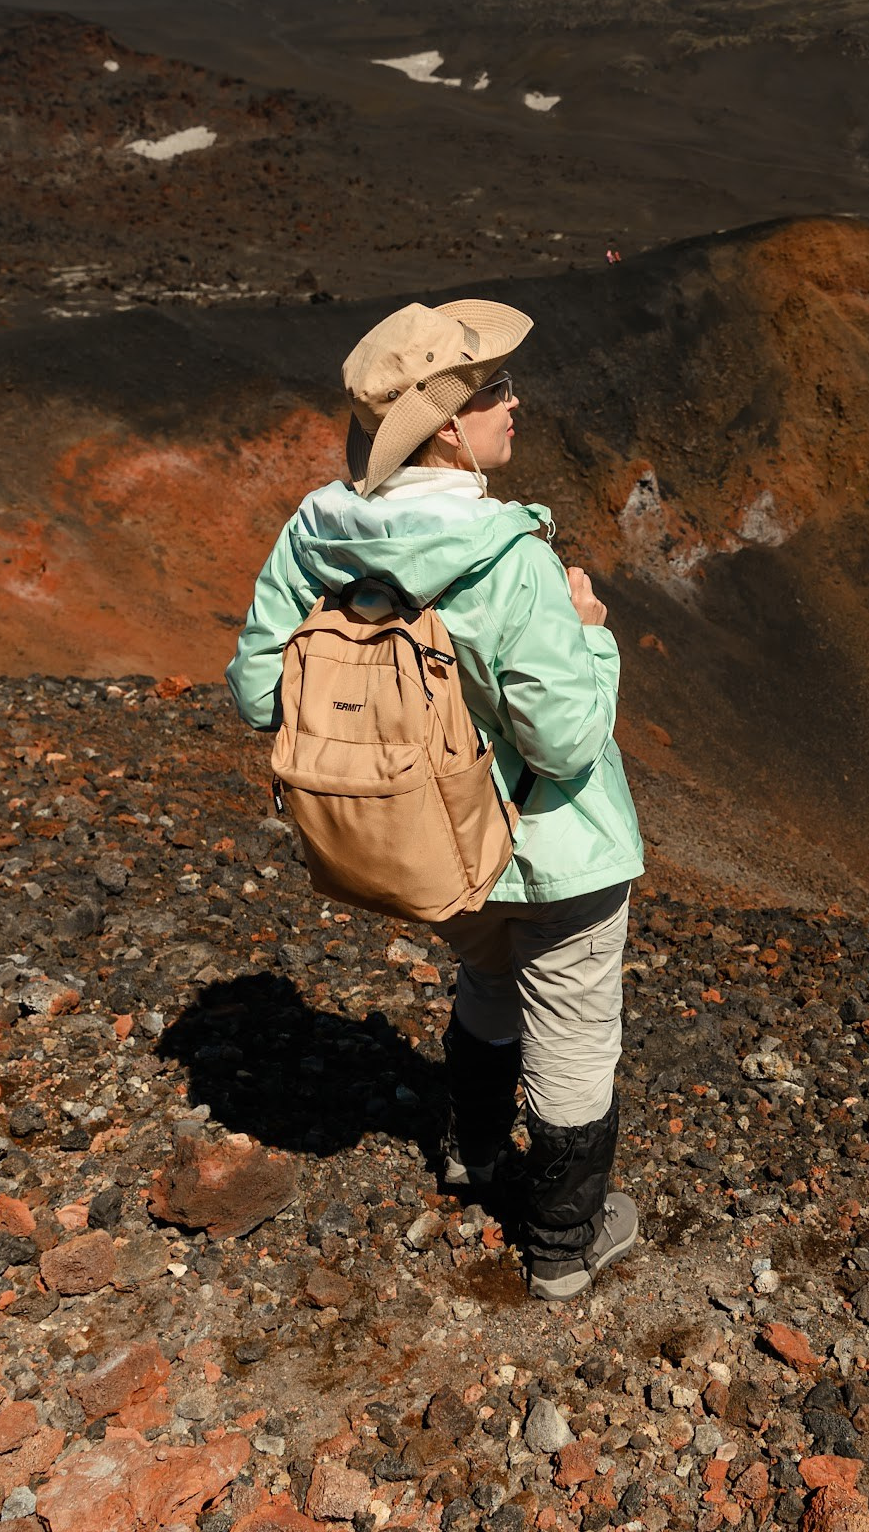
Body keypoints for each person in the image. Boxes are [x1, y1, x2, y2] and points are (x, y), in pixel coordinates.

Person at [225, 298, 646, 1301]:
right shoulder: (512, 561)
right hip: (548, 849)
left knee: (489, 982)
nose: (517, 404)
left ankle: (471, 1154)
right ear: (448, 425)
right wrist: (588, 628)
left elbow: (255, 691)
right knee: (573, 1025)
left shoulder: (313, 534)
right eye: (496, 389)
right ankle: (563, 1241)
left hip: (426, 845)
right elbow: (566, 740)